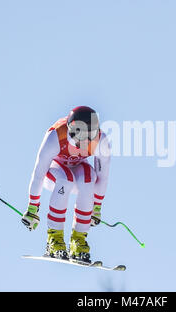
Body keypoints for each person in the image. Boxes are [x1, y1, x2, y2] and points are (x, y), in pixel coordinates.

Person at [21, 106, 111, 263]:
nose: (88, 141)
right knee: (65, 181)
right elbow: (39, 173)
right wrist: (32, 208)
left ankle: (78, 240)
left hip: (77, 168)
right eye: (83, 135)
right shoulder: (56, 136)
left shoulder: (100, 141)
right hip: (55, 171)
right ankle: (54, 239)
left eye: (92, 134)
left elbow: (103, 177)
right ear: (73, 131)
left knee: (89, 179)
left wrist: (96, 208)